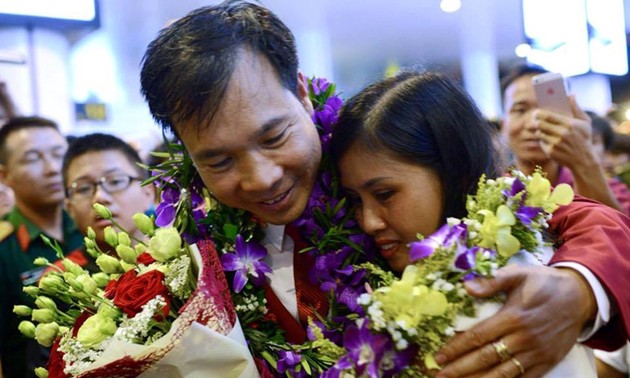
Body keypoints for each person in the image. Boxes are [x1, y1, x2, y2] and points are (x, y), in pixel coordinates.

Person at [140, 1, 630, 376]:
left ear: (304, 95)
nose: (263, 177)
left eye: (274, 136)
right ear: (186, 152)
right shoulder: (188, 244)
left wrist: (580, 287)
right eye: (219, 160)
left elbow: (576, 217)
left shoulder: (368, 161)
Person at [0, 116, 84, 378]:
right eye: (33, 158)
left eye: (59, 154)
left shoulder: (91, 225)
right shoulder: (5, 248)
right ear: (5, 175)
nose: (52, 169)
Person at [500, 64, 627, 214]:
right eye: (520, 110)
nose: (535, 123)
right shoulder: (494, 191)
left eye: (546, 109)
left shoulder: (610, 189)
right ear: (503, 125)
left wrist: (584, 162)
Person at [62, 133, 156, 253]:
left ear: (148, 192)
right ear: (69, 208)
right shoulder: (61, 271)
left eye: (115, 181)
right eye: (83, 189)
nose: (100, 197)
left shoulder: (182, 254)